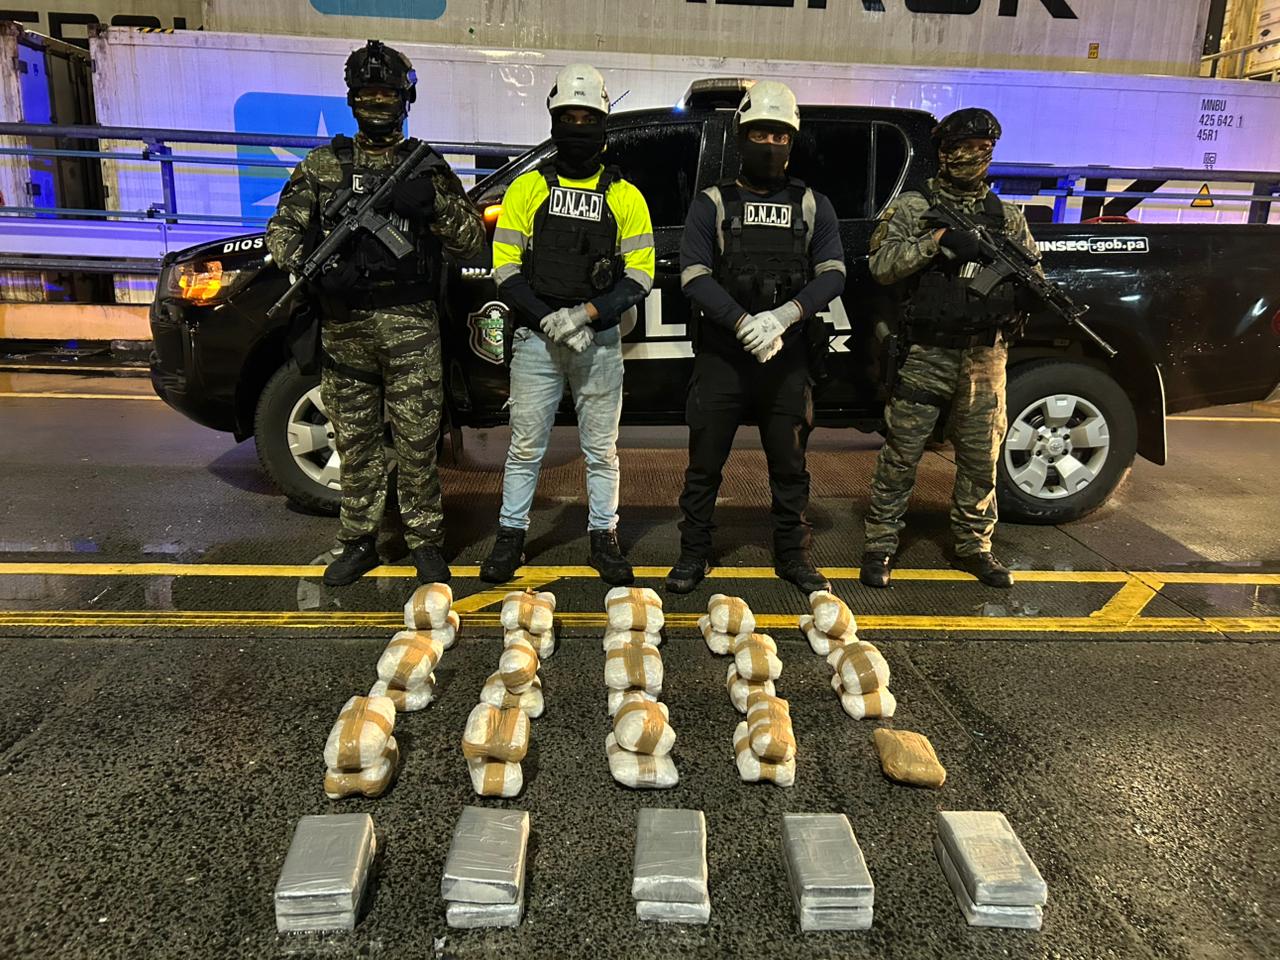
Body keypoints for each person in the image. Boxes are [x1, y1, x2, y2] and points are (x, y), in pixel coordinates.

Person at [265, 40, 484, 587]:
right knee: (355, 442)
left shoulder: (426, 167)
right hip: (345, 327)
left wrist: (432, 205)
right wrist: (311, 265)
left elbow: (470, 242)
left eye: (387, 93)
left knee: (417, 444)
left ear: (405, 99)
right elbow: (282, 230)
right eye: (368, 93)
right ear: (352, 99)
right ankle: (358, 540)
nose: (378, 103)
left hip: (411, 326)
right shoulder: (323, 166)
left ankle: (425, 542)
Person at [665, 80, 846, 596]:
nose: (770, 144)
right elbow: (694, 275)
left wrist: (786, 316)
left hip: (787, 357)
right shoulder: (712, 203)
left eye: (780, 136)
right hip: (724, 355)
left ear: (792, 141)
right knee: (704, 464)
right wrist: (744, 322)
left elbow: (833, 274)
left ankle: (793, 555)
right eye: (760, 134)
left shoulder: (813, 204)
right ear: (742, 136)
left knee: (790, 466)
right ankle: (693, 553)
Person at [478, 63, 655, 587]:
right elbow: (504, 266)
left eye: (587, 118)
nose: (578, 127)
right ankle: (510, 536)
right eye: (568, 117)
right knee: (525, 448)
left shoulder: (626, 196)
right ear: (554, 121)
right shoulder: (526, 188)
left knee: (601, 451)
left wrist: (585, 315)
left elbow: (641, 275)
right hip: (537, 340)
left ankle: (604, 537)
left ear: (603, 123)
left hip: (598, 341)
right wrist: (548, 318)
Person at [860, 107, 1038, 590]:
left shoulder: (1007, 218)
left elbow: (1033, 275)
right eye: (961, 148)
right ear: (943, 152)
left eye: (982, 149)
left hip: (985, 358)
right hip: (926, 353)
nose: (971, 157)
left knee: (981, 459)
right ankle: (880, 544)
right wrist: (936, 241)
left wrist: (1024, 291)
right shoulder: (915, 208)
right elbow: (881, 265)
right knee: (901, 455)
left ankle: (974, 545)